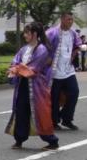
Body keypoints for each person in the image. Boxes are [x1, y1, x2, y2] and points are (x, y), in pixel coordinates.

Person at [6, 22, 59, 151]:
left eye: (27, 33)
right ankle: (19, 139)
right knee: (20, 110)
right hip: (22, 84)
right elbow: (15, 61)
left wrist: (16, 69)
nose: (24, 35)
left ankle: (52, 140)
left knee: (41, 112)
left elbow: (33, 68)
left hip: (37, 86)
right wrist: (14, 68)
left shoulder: (42, 49)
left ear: (35, 34)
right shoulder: (24, 49)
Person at [46, 12, 82, 131]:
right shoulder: (51, 33)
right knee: (54, 97)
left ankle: (67, 119)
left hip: (68, 70)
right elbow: (43, 48)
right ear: (62, 19)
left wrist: (73, 56)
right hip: (55, 71)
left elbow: (77, 46)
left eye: (72, 20)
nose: (70, 22)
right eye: (68, 20)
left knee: (74, 92)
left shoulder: (73, 33)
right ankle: (54, 121)